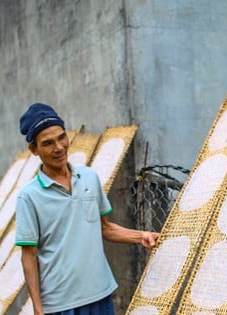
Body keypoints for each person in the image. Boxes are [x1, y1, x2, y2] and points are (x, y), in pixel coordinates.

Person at [15, 103, 159, 315]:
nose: (59, 147)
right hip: (61, 304)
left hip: (100, 294)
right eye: (47, 143)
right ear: (34, 149)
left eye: (61, 137)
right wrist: (38, 308)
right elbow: (28, 255)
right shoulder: (29, 196)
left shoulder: (89, 177)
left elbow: (104, 228)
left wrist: (141, 236)